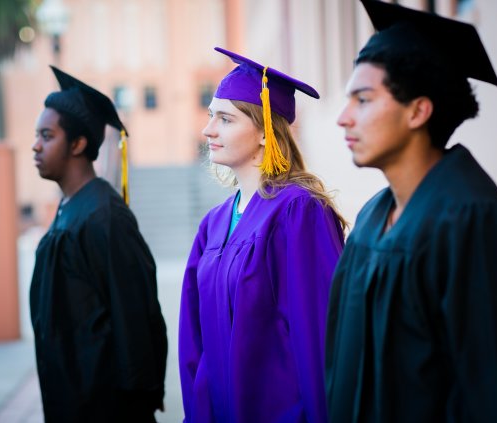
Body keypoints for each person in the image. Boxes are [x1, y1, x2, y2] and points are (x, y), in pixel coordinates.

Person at [325, 1, 497, 422]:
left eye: (363, 100)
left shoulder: (478, 225)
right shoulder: (372, 218)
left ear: (418, 111)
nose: (342, 118)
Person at [179, 47, 346, 422]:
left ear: (263, 132)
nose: (208, 130)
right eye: (210, 116)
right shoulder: (213, 224)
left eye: (225, 119)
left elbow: (319, 336)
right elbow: (194, 341)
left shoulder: (299, 212)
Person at [30, 66, 167, 422]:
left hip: (106, 408)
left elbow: (136, 316)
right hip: (72, 399)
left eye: (47, 135)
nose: (36, 145)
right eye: (37, 135)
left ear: (77, 144)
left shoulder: (105, 217)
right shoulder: (71, 208)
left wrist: (138, 403)